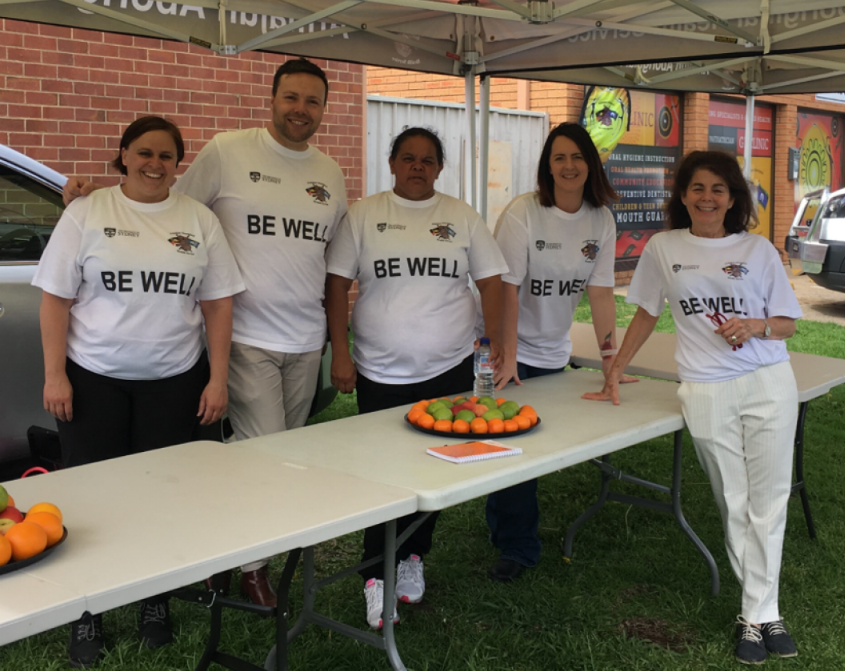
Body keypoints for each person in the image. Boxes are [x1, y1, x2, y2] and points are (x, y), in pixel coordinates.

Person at [62, 58, 348, 607]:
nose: (300, 110)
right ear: (271, 99)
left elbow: (326, 254)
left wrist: (335, 339)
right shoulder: (228, 150)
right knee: (263, 452)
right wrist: (93, 192)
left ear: (323, 109)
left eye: (313, 101)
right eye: (291, 97)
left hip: (306, 338)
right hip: (244, 333)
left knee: (285, 453)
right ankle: (248, 566)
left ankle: (240, 541)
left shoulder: (330, 172)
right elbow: (162, 202)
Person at [35, 116, 244, 668]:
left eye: (167, 156)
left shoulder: (198, 220)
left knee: (160, 495)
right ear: (123, 155)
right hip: (92, 379)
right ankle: (88, 610)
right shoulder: (88, 212)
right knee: (90, 500)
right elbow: (55, 299)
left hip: (173, 381)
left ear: (179, 164)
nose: (155, 164)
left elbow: (218, 303)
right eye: (145, 152)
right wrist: (55, 375)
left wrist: (217, 379)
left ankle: (153, 599)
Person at [585, 150, 804, 665]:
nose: (708, 198)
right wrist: (614, 367)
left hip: (768, 382)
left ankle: (757, 617)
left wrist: (757, 326)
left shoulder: (758, 249)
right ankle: (762, 611)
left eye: (719, 190)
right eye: (698, 189)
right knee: (734, 502)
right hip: (705, 389)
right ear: (683, 196)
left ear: (733, 199)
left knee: (769, 502)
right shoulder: (663, 248)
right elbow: (645, 313)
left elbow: (789, 322)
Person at [325, 126, 508, 629]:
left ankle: (411, 559)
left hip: (446, 366)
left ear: (440, 168)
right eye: (408, 158)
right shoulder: (363, 215)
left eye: (428, 160)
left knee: (432, 469)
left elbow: (491, 282)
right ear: (392, 163)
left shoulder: (461, 216)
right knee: (383, 474)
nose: (418, 167)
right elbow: (337, 285)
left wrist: (495, 345)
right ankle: (373, 574)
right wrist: (340, 352)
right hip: (380, 371)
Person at [488, 122, 626, 582]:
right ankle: (517, 546)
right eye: (559, 158)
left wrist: (612, 363)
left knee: (537, 444)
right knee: (517, 449)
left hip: (553, 351)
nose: (569, 166)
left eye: (577, 157)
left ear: (591, 163)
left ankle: (505, 525)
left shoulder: (601, 220)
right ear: (548, 166)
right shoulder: (524, 213)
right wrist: (506, 355)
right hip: (512, 348)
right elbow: (507, 289)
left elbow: (602, 295)